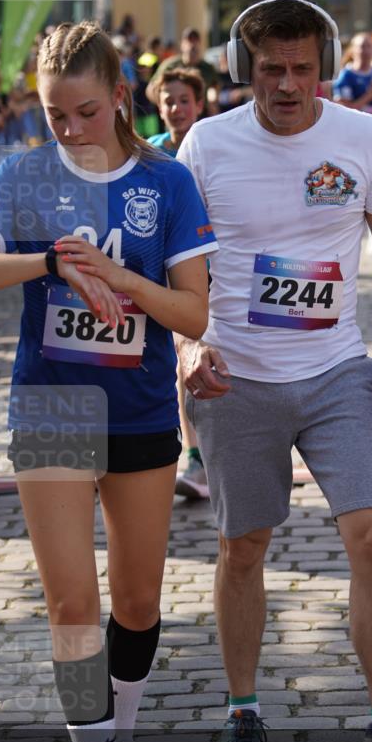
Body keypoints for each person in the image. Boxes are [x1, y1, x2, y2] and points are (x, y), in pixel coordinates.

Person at [176, 0, 372, 742]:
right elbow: (179, 263)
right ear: (246, 70)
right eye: (270, 69)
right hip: (235, 375)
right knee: (244, 548)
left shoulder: (361, 136)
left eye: (303, 68)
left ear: (324, 69)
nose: (286, 85)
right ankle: (241, 709)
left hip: (339, 369)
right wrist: (187, 343)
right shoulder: (206, 143)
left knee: (371, 538)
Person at [0, 21, 215, 742]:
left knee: (136, 602)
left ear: (121, 99)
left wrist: (123, 283)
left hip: (140, 411)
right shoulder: (25, 174)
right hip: (50, 406)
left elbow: (191, 316)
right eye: (53, 113)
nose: (68, 129)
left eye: (85, 112)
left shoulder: (166, 182)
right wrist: (52, 266)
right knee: (72, 600)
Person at [146, 66, 211, 499]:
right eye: (168, 100)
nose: (176, 108)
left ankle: (221, 453)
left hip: (211, 267)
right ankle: (196, 458)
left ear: (199, 104)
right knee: (180, 363)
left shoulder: (213, 145)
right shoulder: (147, 152)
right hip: (163, 272)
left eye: (184, 100)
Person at [332, 32, 372, 118]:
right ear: (353, 50)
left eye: (369, 46)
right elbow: (344, 109)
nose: (366, 51)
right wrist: (370, 94)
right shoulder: (345, 76)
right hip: (354, 125)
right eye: (362, 46)